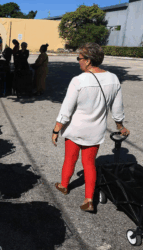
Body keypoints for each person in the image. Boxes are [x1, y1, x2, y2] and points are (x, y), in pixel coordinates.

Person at [52, 42, 130, 212]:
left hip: (75, 129)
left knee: (70, 159)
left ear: (87, 61)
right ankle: (88, 199)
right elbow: (117, 110)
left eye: (79, 58)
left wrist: (56, 129)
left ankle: (64, 185)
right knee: (89, 164)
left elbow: (66, 109)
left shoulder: (78, 80)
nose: (78, 61)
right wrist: (120, 126)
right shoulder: (113, 79)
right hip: (95, 131)